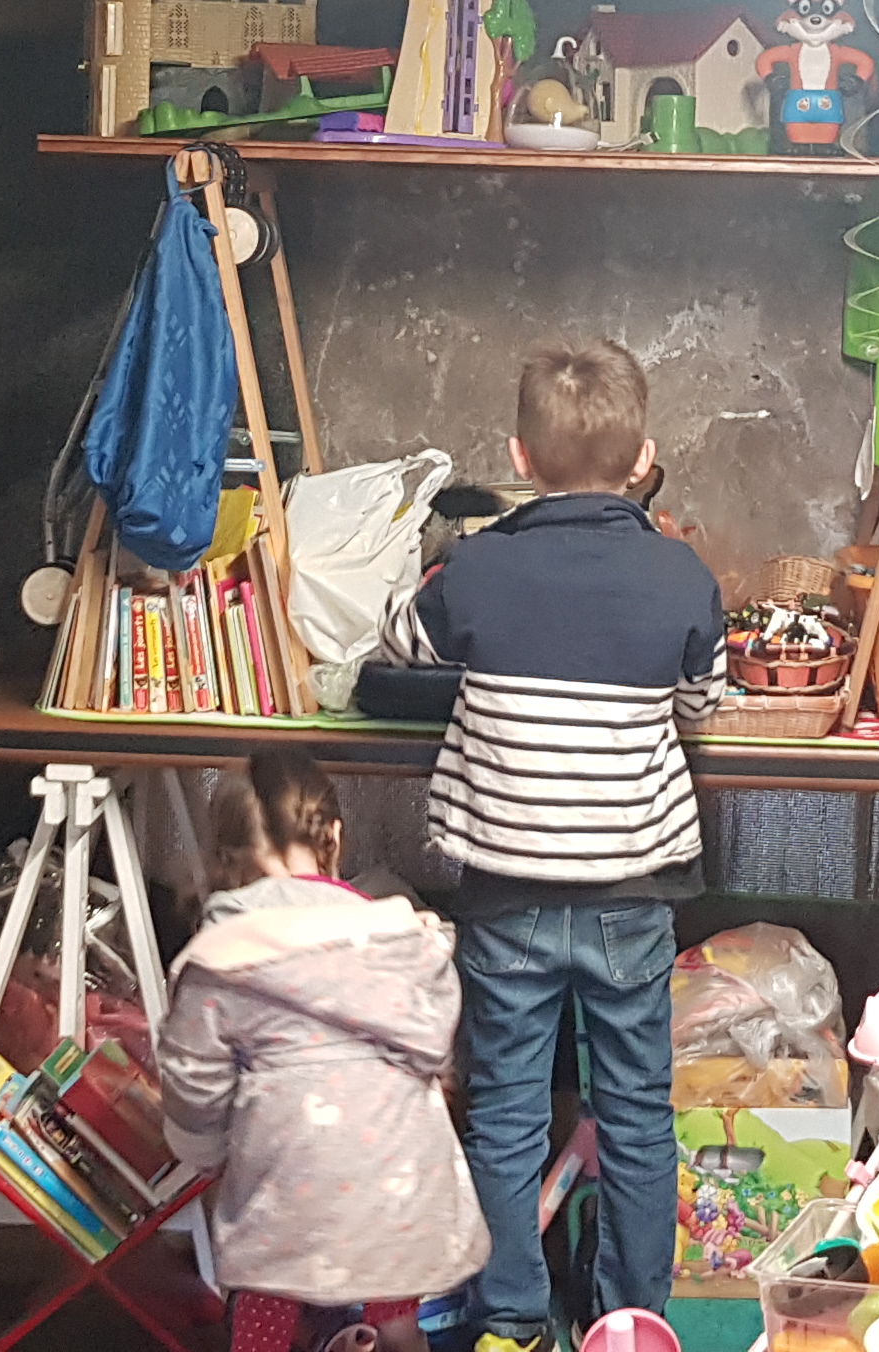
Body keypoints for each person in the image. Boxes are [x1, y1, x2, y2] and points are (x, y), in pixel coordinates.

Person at [385, 341, 725, 1352]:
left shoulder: (478, 566)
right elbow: (701, 701)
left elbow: (402, 640)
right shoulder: (681, 575)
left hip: (507, 893)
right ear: (644, 459)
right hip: (630, 891)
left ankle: (514, 1320)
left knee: (506, 1113)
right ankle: (631, 1317)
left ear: (519, 457)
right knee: (637, 1114)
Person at [154, 752, 486, 1352]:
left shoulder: (221, 957)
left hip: (285, 1196)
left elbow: (193, 1081)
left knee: (266, 1282)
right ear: (334, 834)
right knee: (394, 1286)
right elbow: (436, 1051)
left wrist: (205, 1153)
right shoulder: (399, 939)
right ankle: (401, 1336)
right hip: (402, 1194)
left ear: (226, 858)